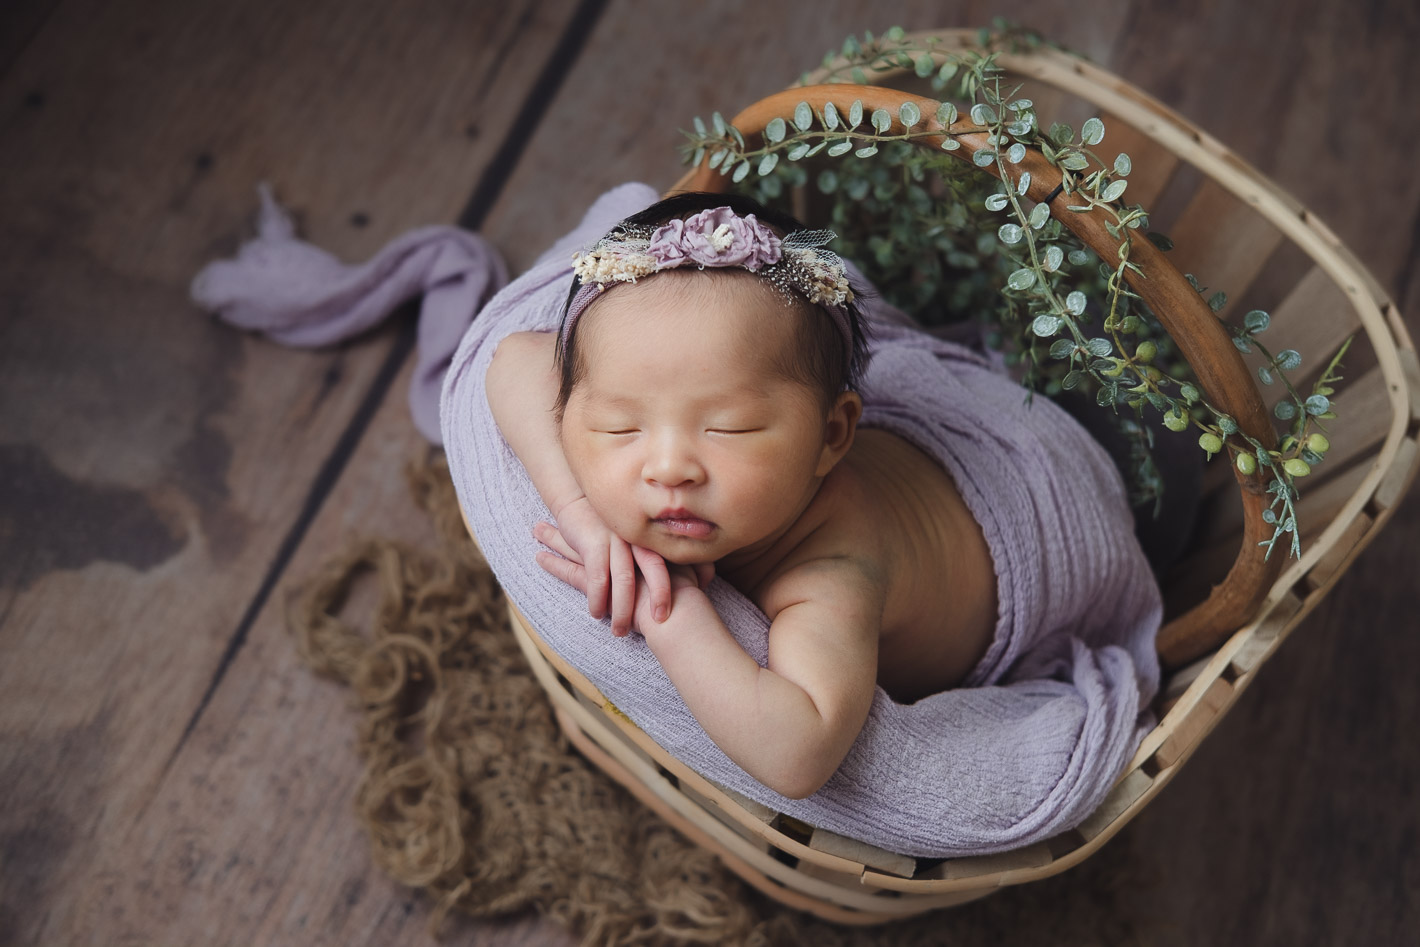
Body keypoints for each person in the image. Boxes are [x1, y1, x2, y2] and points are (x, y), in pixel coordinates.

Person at [485, 192, 1002, 800]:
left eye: (729, 429)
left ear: (832, 435)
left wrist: (672, 611)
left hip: (998, 558)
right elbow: (511, 359)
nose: (671, 468)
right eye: (621, 428)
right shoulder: (641, 438)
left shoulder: (834, 566)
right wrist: (579, 514)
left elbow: (799, 756)